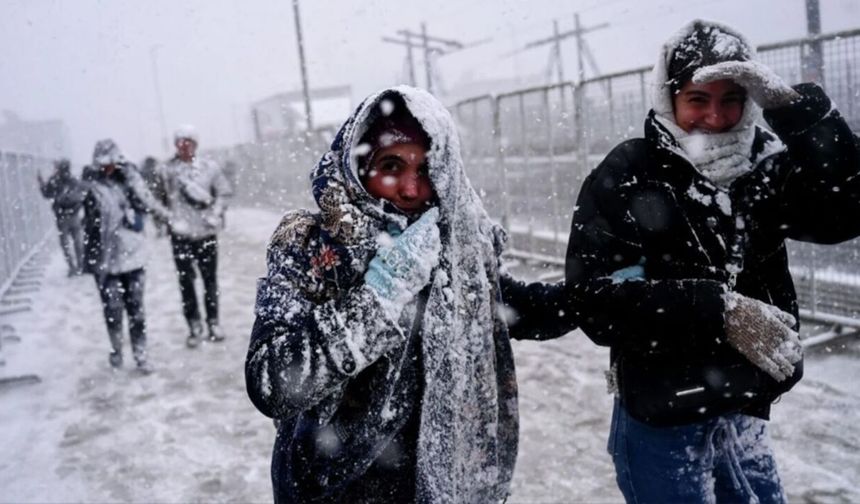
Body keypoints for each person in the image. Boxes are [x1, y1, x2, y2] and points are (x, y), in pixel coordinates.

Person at [564, 20, 860, 503]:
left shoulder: (764, 163)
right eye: (698, 99)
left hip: (744, 408)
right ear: (669, 97)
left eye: (731, 100)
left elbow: (843, 211)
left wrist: (797, 113)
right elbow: (593, 300)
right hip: (661, 416)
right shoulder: (630, 171)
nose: (716, 117)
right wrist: (717, 310)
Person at [245, 86, 576, 503]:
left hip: (436, 483)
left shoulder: (454, 244)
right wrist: (381, 294)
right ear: (358, 165)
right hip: (332, 487)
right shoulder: (307, 245)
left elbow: (510, 307)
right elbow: (272, 382)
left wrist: (598, 292)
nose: (410, 189)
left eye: (426, 169)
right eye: (391, 165)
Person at [82, 139, 171, 374]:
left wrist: (165, 217)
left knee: (136, 310)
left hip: (133, 256)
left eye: (111, 163)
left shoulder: (130, 181)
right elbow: (88, 220)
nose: (107, 168)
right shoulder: (90, 186)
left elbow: (148, 203)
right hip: (105, 260)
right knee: (112, 310)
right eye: (103, 164)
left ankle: (141, 354)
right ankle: (117, 351)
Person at [156, 125, 232, 347]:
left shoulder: (210, 167)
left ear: (195, 144)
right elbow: (157, 201)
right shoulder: (166, 171)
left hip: (206, 234)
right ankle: (194, 325)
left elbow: (223, 193)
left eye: (188, 141)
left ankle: (213, 322)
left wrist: (215, 214)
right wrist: (170, 220)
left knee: (210, 281)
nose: (184, 146)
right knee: (186, 283)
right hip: (181, 237)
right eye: (180, 142)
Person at [37, 158, 86, 276]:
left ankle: (72, 267)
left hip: (61, 217)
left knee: (65, 244)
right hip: (74, 216)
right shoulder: (74, 181)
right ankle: (81, 265)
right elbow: (81, 196)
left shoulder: (55, 181)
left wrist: (41, 182)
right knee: (78, 241)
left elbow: (46, 194)